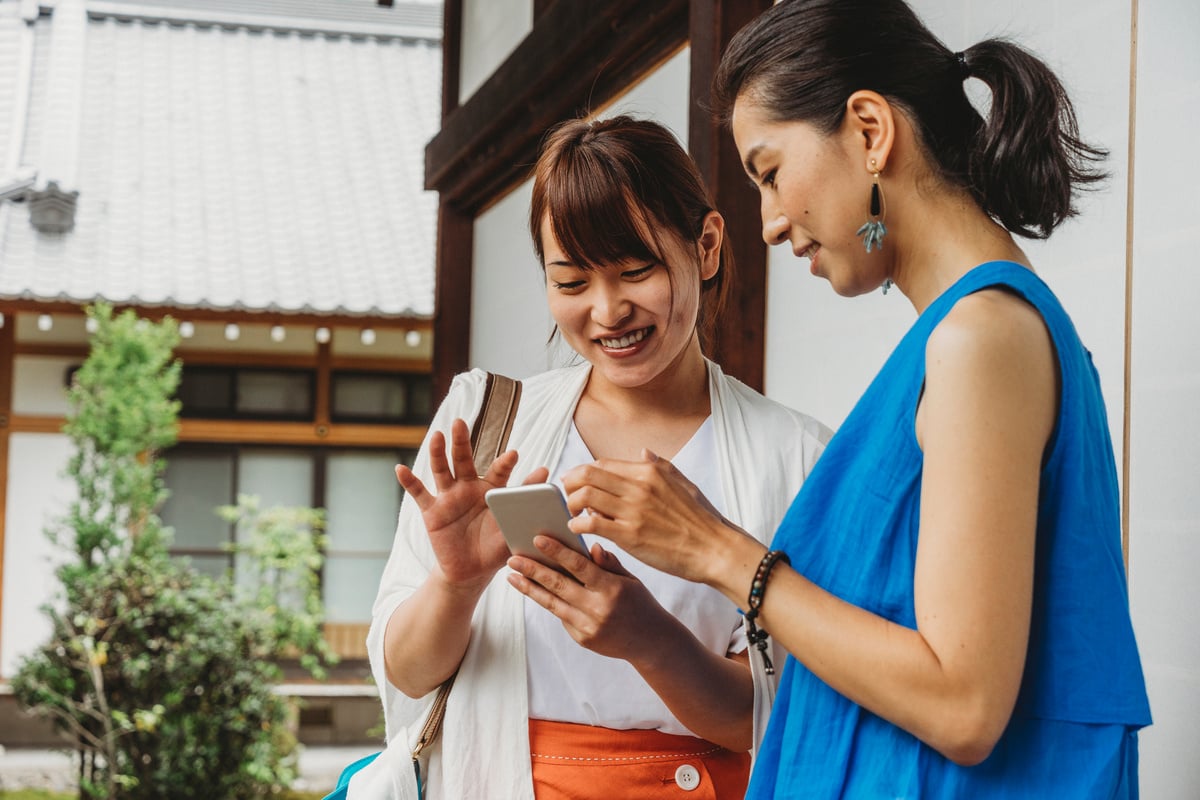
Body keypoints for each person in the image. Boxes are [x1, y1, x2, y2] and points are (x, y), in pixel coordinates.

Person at [557, 1, 1152, 797]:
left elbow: (964, 705)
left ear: (870, 131)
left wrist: (719, 553)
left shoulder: (981, 338)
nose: (768, 223)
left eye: (770, 174)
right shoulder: (965, 336)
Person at [346, 116, 830, 800]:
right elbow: (406, 672)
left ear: (709, 246)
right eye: (571, 283)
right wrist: (455, 585)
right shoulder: (485, 423)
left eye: (637, 271)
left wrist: (649, 639)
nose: (607, 312)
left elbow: (787, 719)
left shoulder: (796, 458)